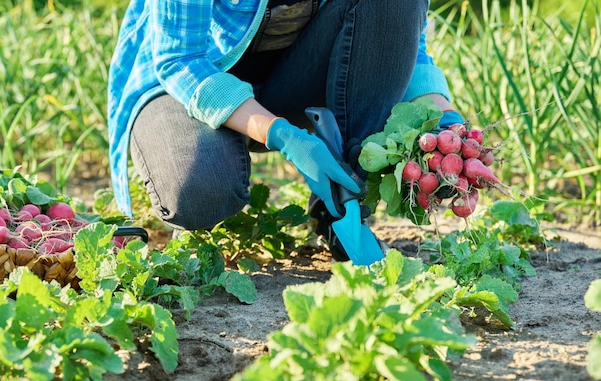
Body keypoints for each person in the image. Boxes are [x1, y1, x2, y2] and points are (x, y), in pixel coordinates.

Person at [107, 0, 465, 260]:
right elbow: (179, 60)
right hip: (190, 78)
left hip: (293, 74)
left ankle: (341, 205)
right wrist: (280, 133)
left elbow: (400, 38)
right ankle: (195, 224)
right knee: (201, 192)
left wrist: (445, 119)